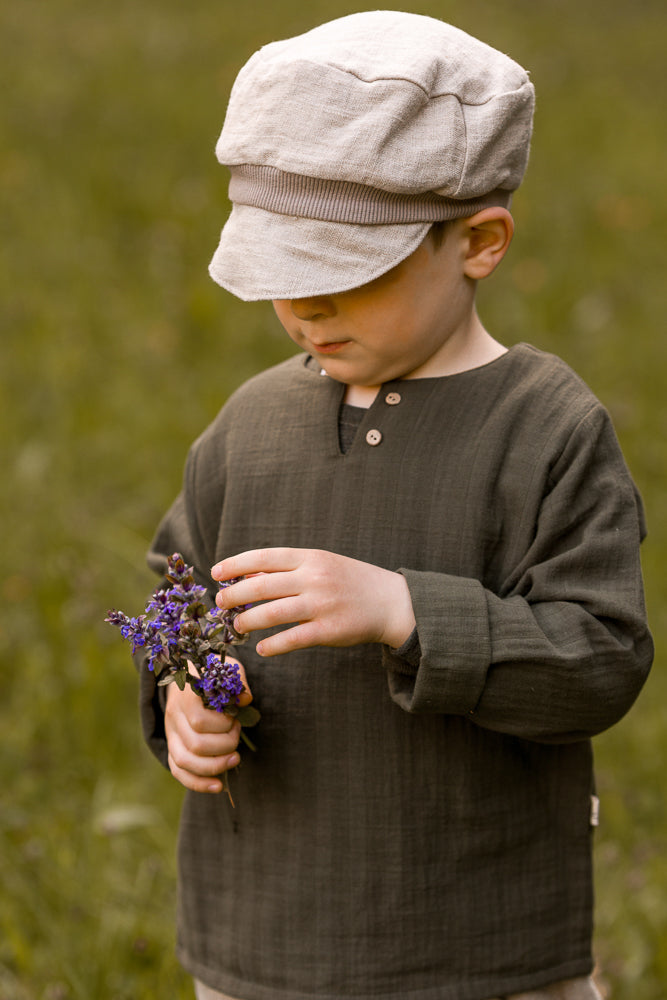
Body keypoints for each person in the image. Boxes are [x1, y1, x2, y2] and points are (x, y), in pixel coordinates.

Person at [136, 12, 653, 1000]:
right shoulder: (251, 424)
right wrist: (181, 696)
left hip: (478, 950)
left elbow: (599, 661)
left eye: (345, 271)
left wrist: (407, 612)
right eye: (285, 272)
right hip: (262, 942)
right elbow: (176, 597)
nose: (307, 307)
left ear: (478, 242)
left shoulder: (543, 428)